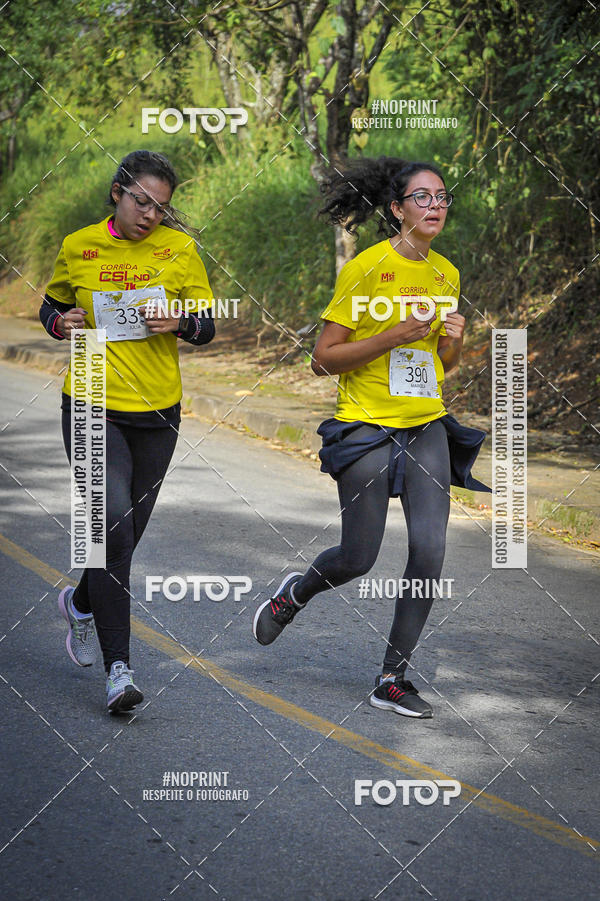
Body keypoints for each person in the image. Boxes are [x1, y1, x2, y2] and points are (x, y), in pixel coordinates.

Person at [253, 156, 490, 718]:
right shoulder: (364, 269)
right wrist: (389, 337)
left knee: (430, 552)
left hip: (426, 424)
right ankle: (297, 591)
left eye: (442, 198)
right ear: (396, 209)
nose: (435, 207)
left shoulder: (446, 274)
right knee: (359, 557)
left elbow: (442, 364)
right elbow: (322, 359)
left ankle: (392, 678)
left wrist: (454, 339)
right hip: (366, 428)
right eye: (423, 198)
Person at [40, 150, 215, 712]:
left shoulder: (180, 250)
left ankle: (82, 600)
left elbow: (207, 324)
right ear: (118, 192)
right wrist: (58, 323)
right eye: (142, 201)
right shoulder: (79, 246)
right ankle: (120, 671)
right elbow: (52, 307)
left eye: (162, 208)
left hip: (158, 409)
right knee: (112, 528)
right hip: (91, 393)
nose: (150, 215)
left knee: (128, 531)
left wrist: (181, 323)